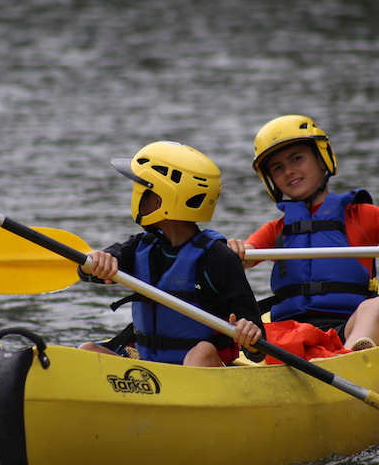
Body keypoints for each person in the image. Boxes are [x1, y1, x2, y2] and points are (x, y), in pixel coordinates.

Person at [227, 115, 379, 352]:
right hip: (288, 332)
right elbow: (243, 257)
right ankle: (261, 354)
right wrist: (234, 252)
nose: (289, 171)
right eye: (278, 168)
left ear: (322, 160)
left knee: (377, 305)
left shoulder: (365, 215)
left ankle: (353, 356)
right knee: (245, 322)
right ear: (271, 180)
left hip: (346, 327)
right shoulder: (275, 230)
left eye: (297, 158)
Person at [78, 140, 265, 367]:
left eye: (141, 188)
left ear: (160, 199)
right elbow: (88, 272)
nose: (135, 194)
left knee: (202, 351)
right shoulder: (140, 247)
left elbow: (258, 349)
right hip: (150, 366)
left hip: (203, 368)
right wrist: (95, 261)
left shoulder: (219, 258)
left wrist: (250, 336)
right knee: (87, 351)